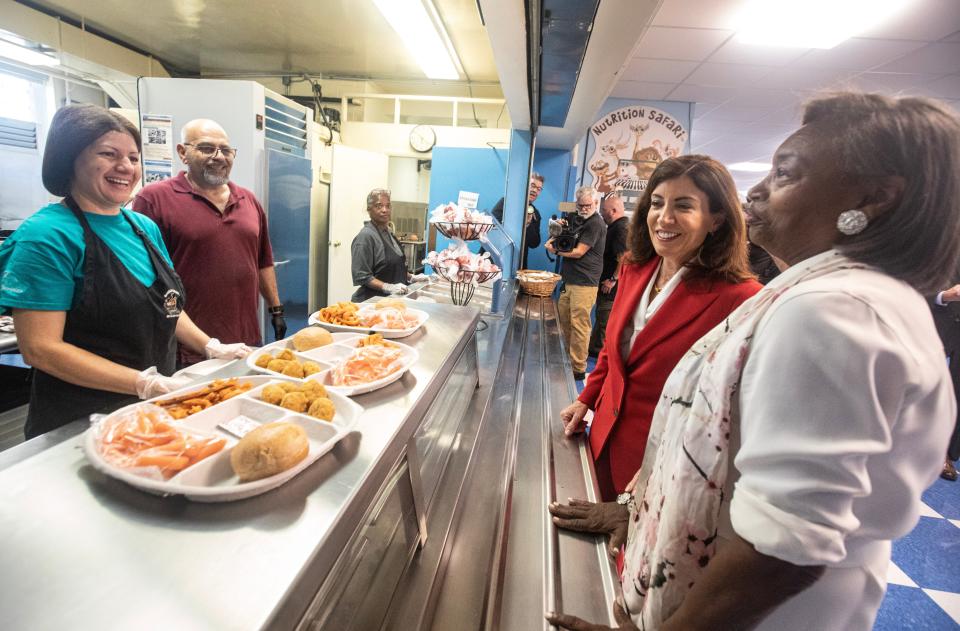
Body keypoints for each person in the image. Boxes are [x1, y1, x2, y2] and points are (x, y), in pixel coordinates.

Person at [547, 92, 960, 631]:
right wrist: (639, 508)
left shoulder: (836, 312)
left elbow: (784, 550)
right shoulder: (825, 293)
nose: (758, 191)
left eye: (785, 173)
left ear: (875, 197)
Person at [0, 105, 250, 439]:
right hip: (77, 422)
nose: (125, 167)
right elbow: (41, 349)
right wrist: (142, 381)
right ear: (69, 159)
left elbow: (167, 305)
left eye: (133, 158)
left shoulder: (142, 227)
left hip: (149, 413)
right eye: (109, 154)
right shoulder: (46, 236)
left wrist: (211, 346)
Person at [560, 156, 761, 501]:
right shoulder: (634, 268)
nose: (664, 218)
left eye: (683, 206)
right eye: (657, 203)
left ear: (716, 219)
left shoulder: (742, 299)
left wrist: (670, 466)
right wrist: (588, 398)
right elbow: (611, 350)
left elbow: (732, 411)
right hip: (602, 438)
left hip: (662, 468)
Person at [133, 119, 285, 366]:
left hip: (245, 339)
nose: (219, 157)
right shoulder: (154, 200)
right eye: (206, 148)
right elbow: (147, 279)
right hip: (187, 347)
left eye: (226, 150)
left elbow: (263, 261)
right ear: (183, 152)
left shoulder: (248, 200)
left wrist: (276, 310)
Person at [546, 186, 606, 381]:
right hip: (569, 280)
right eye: (581, 205)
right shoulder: (575, 218)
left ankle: (578, 368)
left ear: (595, 203)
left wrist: (555, 252)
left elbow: (579, 252)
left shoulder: (595, 224)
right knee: (564, 322)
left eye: (588, 205)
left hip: (585, 283)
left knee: (580, 325)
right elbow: (564, 240)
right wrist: (559, 229)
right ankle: (566, 360)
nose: (584, 208)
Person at [351, 188, 427, 302]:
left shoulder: (389, 232)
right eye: (379, 206)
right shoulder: (365, 237)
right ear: (369, 209)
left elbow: (393, 268)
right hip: (372, 302)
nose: (384, 210)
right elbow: (362, 276)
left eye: (388, 206)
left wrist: (412, 277)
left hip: (392, 301)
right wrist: (388, 287)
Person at [588, 192, 630, 357]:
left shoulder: (621, 228)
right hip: (605, 281)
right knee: (600, 317)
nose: (601, 212)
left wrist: (612, 280)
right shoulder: (615, 227)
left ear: (613, 211)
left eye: (603, 209)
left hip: (610, 285)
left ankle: (600, 354)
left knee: (605, 319)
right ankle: (594, 348)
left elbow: (624, 257)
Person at [929, 285, 960, 481]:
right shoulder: (946, 253)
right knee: (917, 384)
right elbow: (915, 281)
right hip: (937, 323)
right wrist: (945, 295)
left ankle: (945, 454)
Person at [491, 173, 543, 269]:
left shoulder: (535, 214)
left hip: (517, 263)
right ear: (525, 185)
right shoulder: (505, 202)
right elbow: (491, 227)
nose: (535, 190)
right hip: (494, 259)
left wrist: (528, 224)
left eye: (539, 189)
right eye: (533, 186)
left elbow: (535, 243)